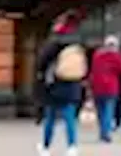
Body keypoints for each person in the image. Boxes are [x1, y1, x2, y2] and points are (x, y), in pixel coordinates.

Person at [35, 12, 88, 156]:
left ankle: (46, 147)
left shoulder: (55, 41)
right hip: (72, 84)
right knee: (69, 117)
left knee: (50, 117)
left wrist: (40, 76)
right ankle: (72, 146)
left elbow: (42, 61)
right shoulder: (78, 42)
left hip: (54, 84)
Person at [88, 35, 121, 142]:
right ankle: (106, 133)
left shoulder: (97, 55)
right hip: (110, 86)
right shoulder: (116, 56)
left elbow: (93, 69)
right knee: (108, 110)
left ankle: (102, 131)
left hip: (97, 86)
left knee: (100, 110)